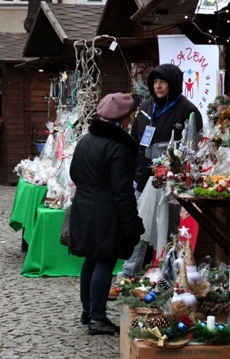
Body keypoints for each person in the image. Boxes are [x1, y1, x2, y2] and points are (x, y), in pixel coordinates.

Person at [118, 63, 204, 279]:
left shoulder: (188, 111)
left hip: (170, 182)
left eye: (163, 82)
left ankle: (170, 274)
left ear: (173, 83)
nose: (158, 86)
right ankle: (129, 271)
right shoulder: (147, 106)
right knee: (140, 226)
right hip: (144, 177)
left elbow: (193, 150)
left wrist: (173, 168)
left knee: (170, 229)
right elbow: (137, 139)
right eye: (155, 82)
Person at [69, 92, 144, 336]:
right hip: (106, 212)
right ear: (123, 118)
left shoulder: (86, 140)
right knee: (104, 261)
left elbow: (74, 174)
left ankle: (88, 310)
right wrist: (132, 223)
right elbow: (122, 191)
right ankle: (98, 318)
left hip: (84, 206)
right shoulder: (119, 147)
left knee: (90, 259)